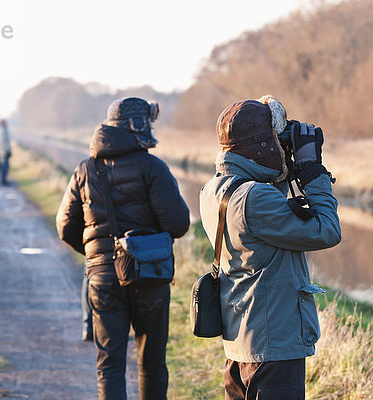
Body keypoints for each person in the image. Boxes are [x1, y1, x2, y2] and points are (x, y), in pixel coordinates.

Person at [199, 96, 342, 400]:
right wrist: (312, 172)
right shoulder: (255, 200)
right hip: (273, 350)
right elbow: (327, 230)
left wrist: (286, 165)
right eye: (277, 141)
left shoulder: (214, 190)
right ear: (263, 146)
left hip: (242, 344)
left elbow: (262, 205)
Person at [56, 97, 190, 400]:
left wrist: (99, 257)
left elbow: (65, 227)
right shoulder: (153, 168)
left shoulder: (84, 170)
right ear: (140, 125)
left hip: (102, 278)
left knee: (109, 364)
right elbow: (180, 224)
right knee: (152, 364)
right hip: (149, 276)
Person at [0, 120, 12, 185]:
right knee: (5, 167)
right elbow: (4, 142)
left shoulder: (3, 130)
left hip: (4, 152)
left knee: (5, 166)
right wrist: (7, 151)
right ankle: (3, 181)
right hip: (4, 152)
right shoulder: (2, 130)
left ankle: (4, 180)